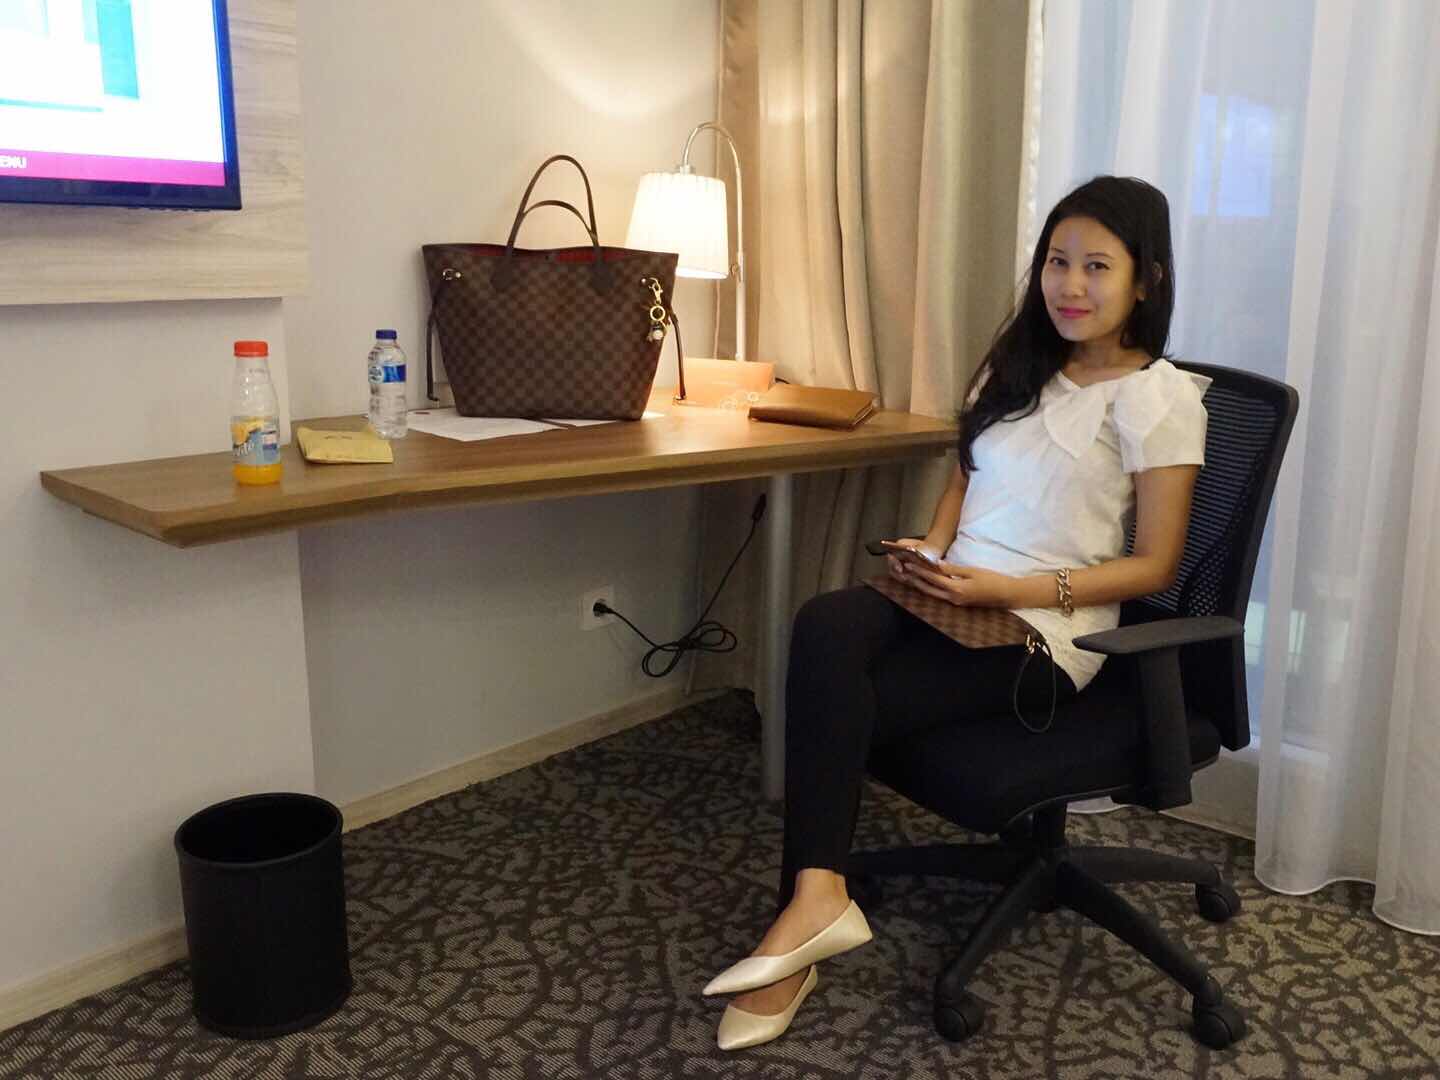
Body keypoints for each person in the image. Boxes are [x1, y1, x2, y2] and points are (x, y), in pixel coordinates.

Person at [702, 176, 1214, 1051]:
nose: (1070, 284)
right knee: (826, 623)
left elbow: (1155, 564)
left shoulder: (1157, 397)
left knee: (842, 699)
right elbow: (964, 479)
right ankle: (818, 898)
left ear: (1147, 282)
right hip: (954, 595)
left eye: (1097, 266)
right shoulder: (1019, 366)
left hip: (1045, 630)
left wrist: (1008, 592)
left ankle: (796, 937)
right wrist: (931, 549)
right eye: (1057, 261)